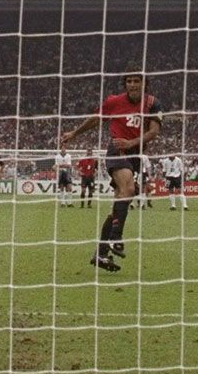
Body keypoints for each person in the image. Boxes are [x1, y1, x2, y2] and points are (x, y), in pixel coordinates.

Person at [61, 71, 164, 273]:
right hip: (117, 150)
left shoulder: (152, 103)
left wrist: (132, 142)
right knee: (129, 188)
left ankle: (100, 253)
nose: (132, 84)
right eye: (129, 81)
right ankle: (116, 238)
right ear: (125, 84)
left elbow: (153, 132)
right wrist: (74, 133)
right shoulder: (114, 101)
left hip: (134, 155)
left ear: (144, 83)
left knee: (120, 201)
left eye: (137, 81)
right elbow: (95, 119)